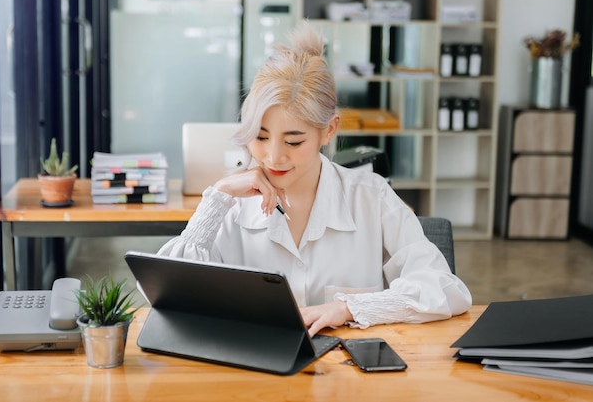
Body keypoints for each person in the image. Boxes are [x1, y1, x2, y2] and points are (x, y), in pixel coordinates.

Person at [158, 20, 472, 336]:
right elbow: (170, 296)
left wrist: (350, 308)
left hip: (350, 377)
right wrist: (219, 194)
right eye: (261, 136)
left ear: (329, 130)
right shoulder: (231, 205)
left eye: (294, 141)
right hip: (256, 374)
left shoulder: (371, 196)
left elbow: (445, 289)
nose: (273, 157)